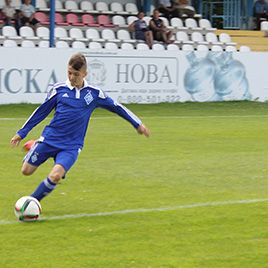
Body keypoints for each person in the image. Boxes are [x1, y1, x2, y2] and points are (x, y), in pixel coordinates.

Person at [10, 53, 150, 202]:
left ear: (85, 74)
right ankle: (34, 144)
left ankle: (31, 202)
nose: (71, 77)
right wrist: (21, 133)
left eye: (76, 74)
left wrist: (137, 124)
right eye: (69, 73)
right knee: (26, 171)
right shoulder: (58, 90)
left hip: (71, 145)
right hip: (50, 139)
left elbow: (117, 107)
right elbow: (41, 112)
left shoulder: (94, 94)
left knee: (56, 176)